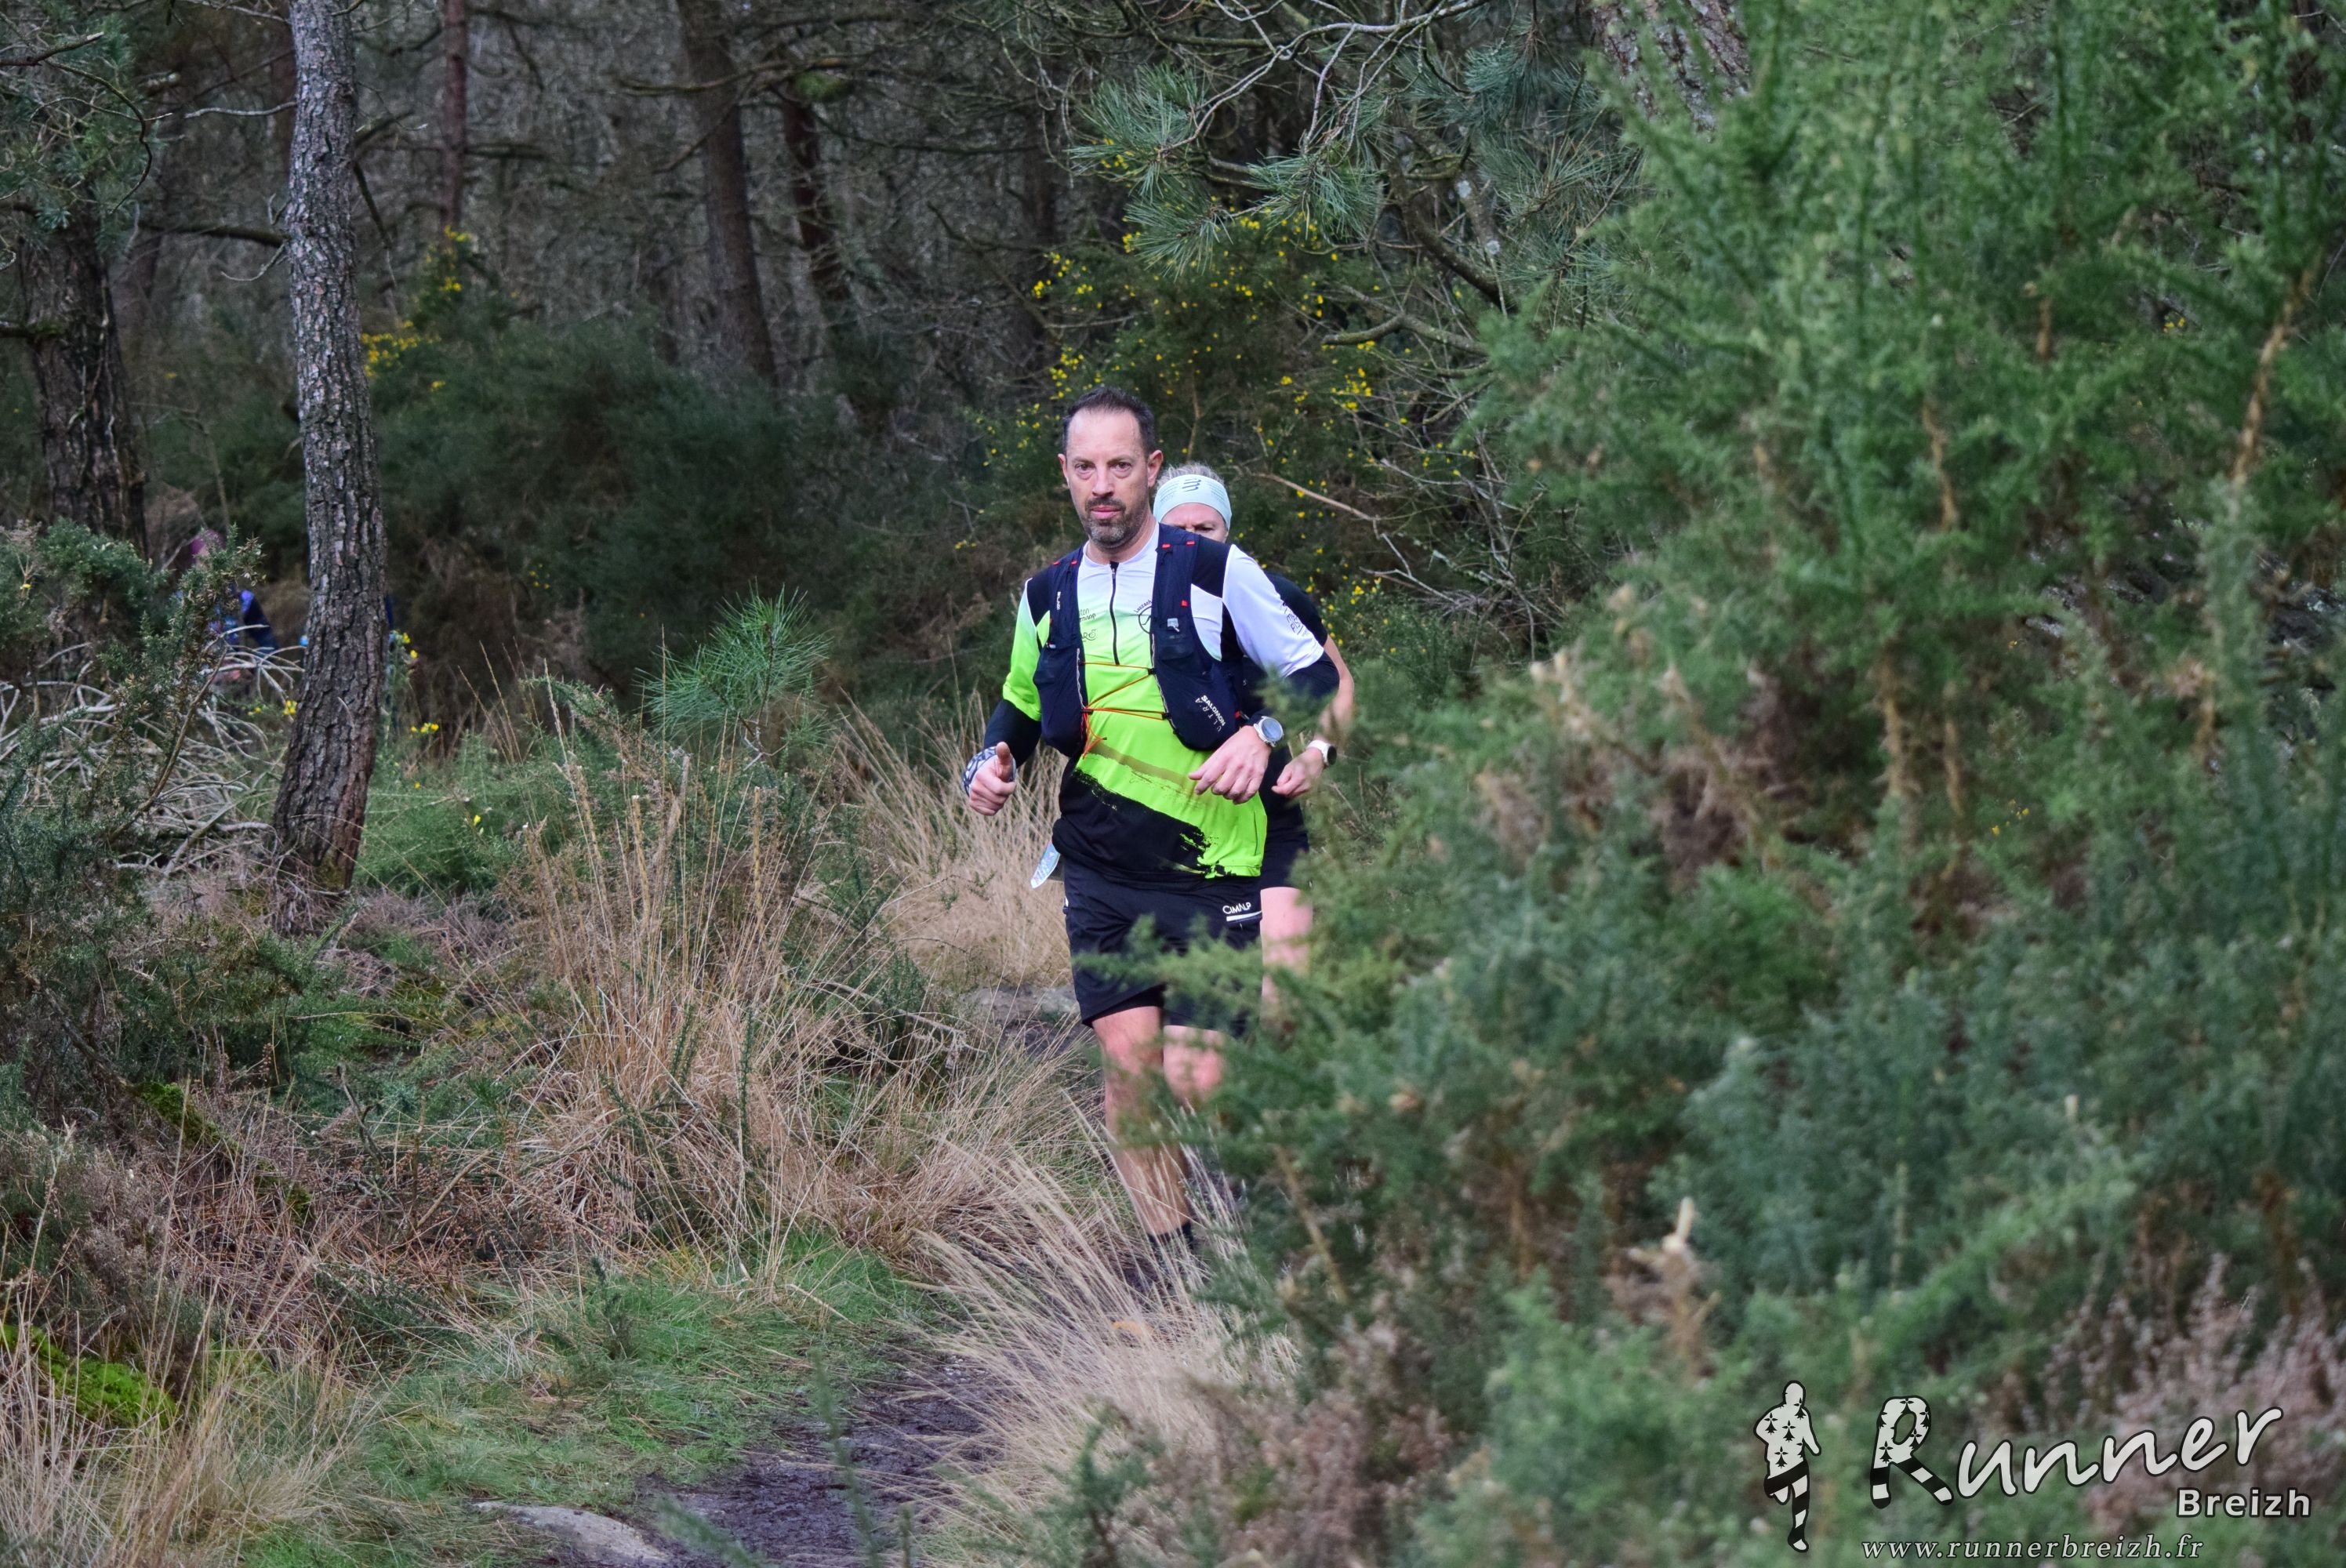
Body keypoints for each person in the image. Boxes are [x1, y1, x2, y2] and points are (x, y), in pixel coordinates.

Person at [964, 386, 1341, 1258]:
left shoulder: (1215, 571)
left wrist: (1264, 735)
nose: (1103, 485)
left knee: (1201, 1077)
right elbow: (1020, 704)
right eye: (1086, 467)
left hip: (1214, 865)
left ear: (1151, 471)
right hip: (1101, 866)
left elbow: (1314, 674)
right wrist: (993, 759)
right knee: (1130, 1080)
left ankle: (1294, 1197)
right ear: (1065, 474)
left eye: (1121, 466)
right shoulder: (1046, 593)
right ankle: (1174, 1268)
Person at [1152, 463, 1355, 991]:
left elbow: (1337, 680)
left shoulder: (1272, 595)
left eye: (1206, 528)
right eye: (1178, 528)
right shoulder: (1131, 608)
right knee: (1197, 1003)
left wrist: (1319, 752)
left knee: (1284, 995)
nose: (1192, 540)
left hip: (1268, 813)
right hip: (1174, 822)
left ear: (1227, 531)